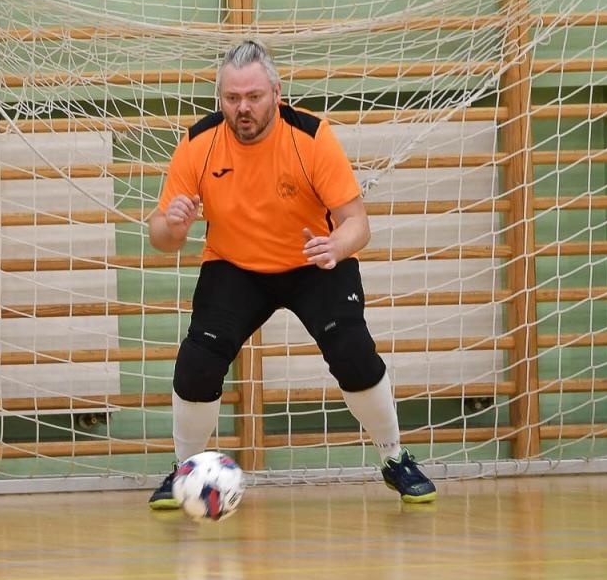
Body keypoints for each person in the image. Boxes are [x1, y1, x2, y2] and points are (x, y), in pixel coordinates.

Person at [146, 40, 437, 509]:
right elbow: (161, 236)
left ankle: (395, 457)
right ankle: (187, 473)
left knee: (353, 352)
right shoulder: (197, 142)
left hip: (312, 260)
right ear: (220, 98)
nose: (243, 108)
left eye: (253, 97)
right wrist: (172, 225)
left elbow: (357, 224)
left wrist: (335, 246)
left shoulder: (312, 137)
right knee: (197, 364)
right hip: (235, 265)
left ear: (276, 93)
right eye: (232, 98)